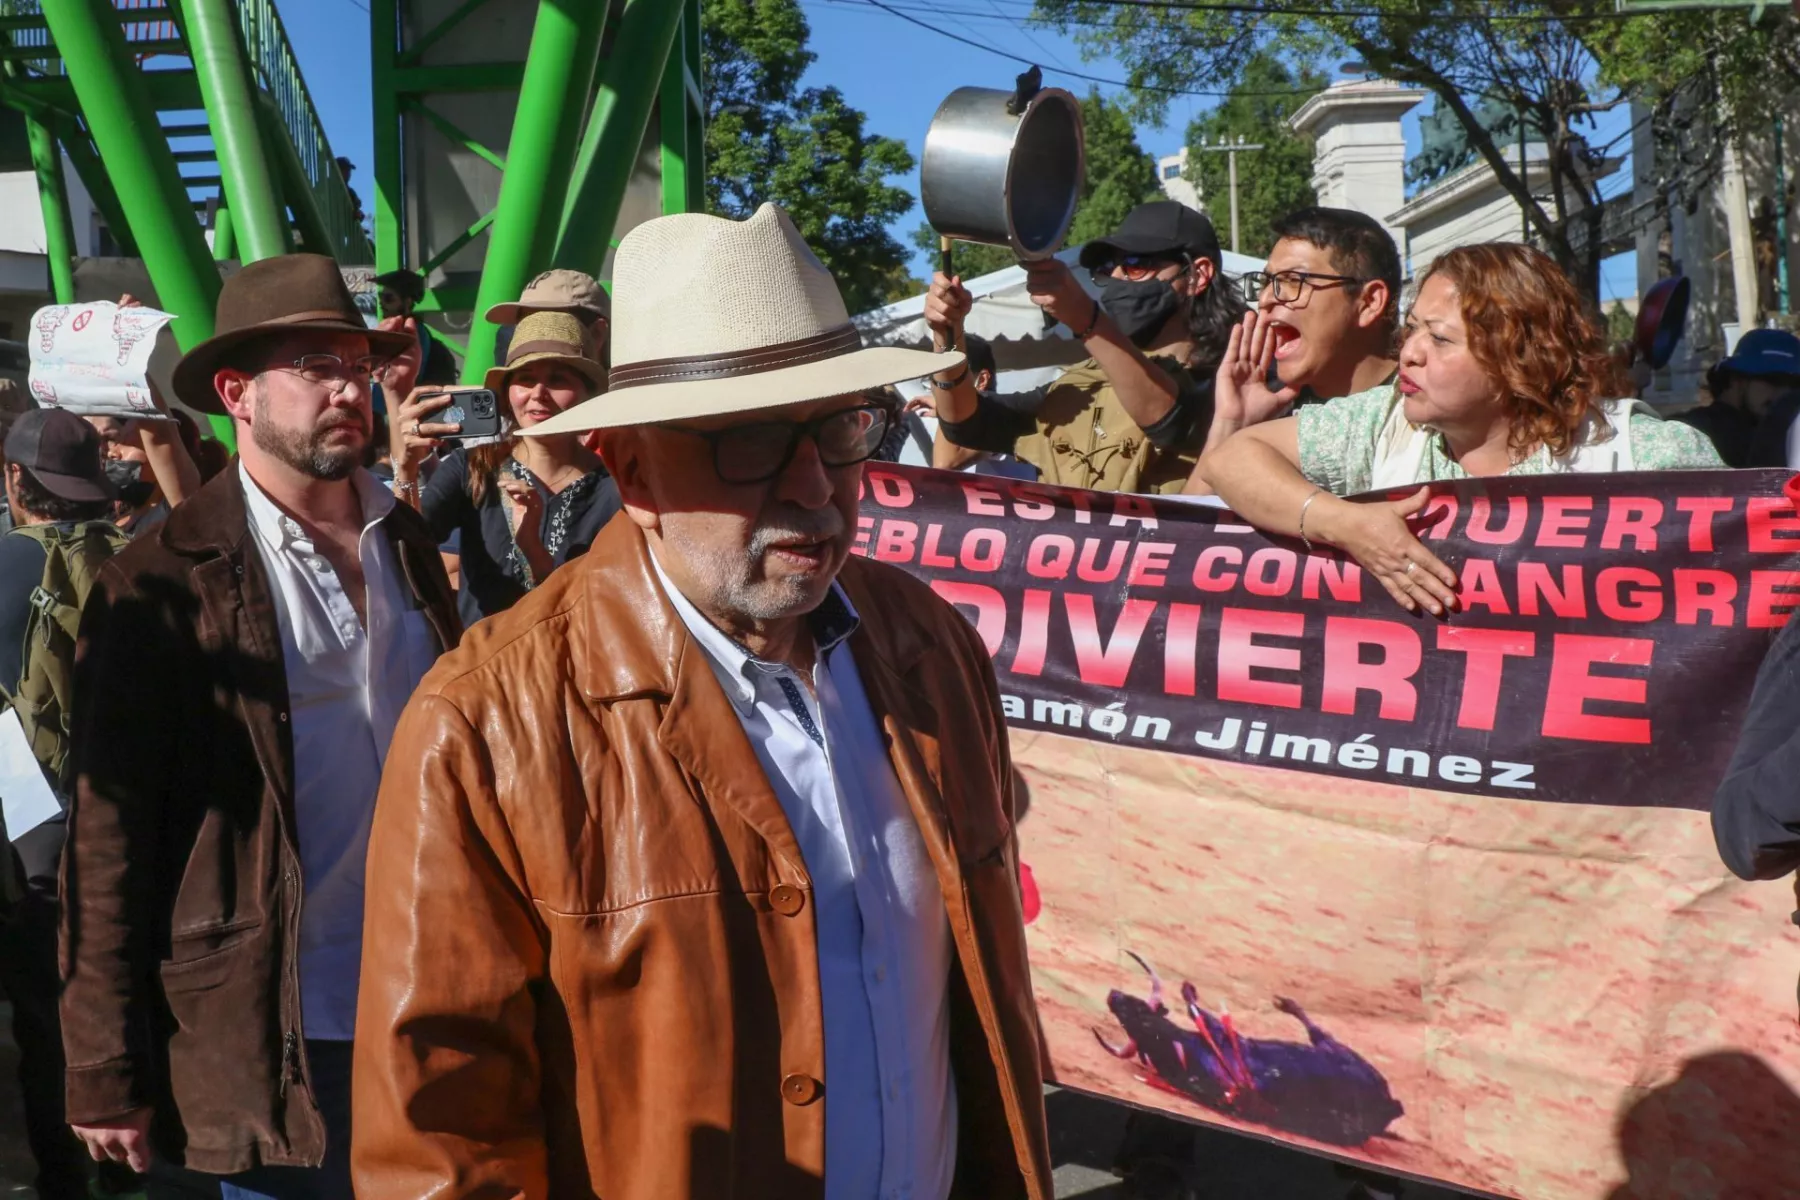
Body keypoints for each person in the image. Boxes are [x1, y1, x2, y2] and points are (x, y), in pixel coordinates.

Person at [352, 203, 1052, 1199]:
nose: (815, 482)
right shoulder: (487, 724)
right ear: (629, 465)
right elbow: (439, 1142)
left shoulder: (927, 648)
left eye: (840, 427)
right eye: (752, 439)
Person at [58, 253, 460, 1199]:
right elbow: (108, 835)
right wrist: (101, 1067)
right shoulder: (160, 578)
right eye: (314, 368)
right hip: (279, 1016)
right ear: (237, 393)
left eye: (353, 365)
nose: (346, 388)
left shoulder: (402, 538)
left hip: (436, 988)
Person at [1195, 242, 1723, 615]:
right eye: (1413, 330)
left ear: (1518, 358)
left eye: (1441, 340)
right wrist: (1343, 524)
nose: (1411, 353)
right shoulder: (1381, 422)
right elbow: (1232, 460)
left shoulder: (1640, 454)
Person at [0, 409, 123, 1200]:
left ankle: (53, 1174)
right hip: (119, 801)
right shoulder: (138, 555)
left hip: (24, 807)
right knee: (99, 997)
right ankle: (106, 1174)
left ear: (15, 479)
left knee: (37, 1010)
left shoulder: (6, 560)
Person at [925, 200, 1242, 493]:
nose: (1117, 277)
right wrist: (948, 334)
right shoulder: (1079, 386)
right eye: (1110, 268)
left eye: (1135, 264)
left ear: (1198, 275)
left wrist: (1083, 317)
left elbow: (1172, 422)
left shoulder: (1238, 382)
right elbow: (965, 426)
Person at [389, 310, 618, 619]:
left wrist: (533, 551)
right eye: (525, 378)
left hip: (578, 663)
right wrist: (406, 469)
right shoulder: (471, 467)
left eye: (557, 379)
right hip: (478, 663)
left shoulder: (616, 490)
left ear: (586, 393)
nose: (538, 394)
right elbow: (405, 557)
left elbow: (605, 604)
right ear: (508, 393)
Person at [1677, 328, 1800, 468]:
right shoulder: (1692, 430)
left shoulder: (1782, 433)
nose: (1784, 393)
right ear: (1737, 379)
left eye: (1795, 385)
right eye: (1774, 380)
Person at [372, 268, 458, 385]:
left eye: (388, 298)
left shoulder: (413, 333)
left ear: (407, 302)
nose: (381, 303)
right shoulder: (403, 331)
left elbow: (407, 379)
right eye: (380, 296)